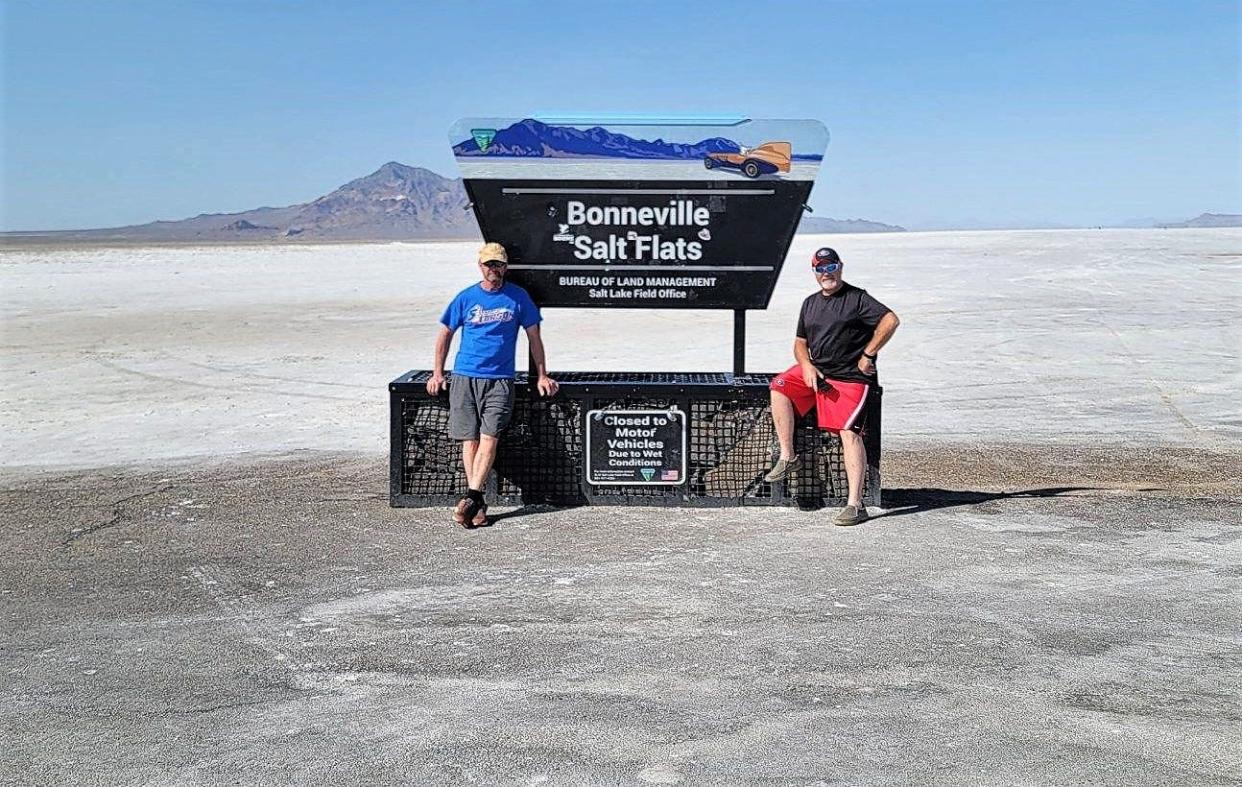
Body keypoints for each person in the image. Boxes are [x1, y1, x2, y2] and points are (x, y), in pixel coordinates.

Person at [764, 247, 900, 526]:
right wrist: (805, 364)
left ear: (840, 267)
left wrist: (869, 355)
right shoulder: (810, 303)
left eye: (831, 267)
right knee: (779, 386)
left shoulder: (856, 298)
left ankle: (855, 505)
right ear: (814, 272)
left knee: (848, 433)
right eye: (820, 269)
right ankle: (789, 455)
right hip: (819, 372)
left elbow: (890, 320)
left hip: (851, 378)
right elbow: (800, 342)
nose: (827, 274)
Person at [426, 242, 558, 528]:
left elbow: (534, 337)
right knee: (470, 440)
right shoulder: (466, 298)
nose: (493, 270)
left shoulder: (518, 298)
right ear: (480, 266)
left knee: (490, 438)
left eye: (497, 264)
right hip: (464, 376)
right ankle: (478, 505)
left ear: (505, 266)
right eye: (488, 265)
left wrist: (542, 375)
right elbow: (445, 334)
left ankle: (471, 495)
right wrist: (438, 372)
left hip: (500, 380)